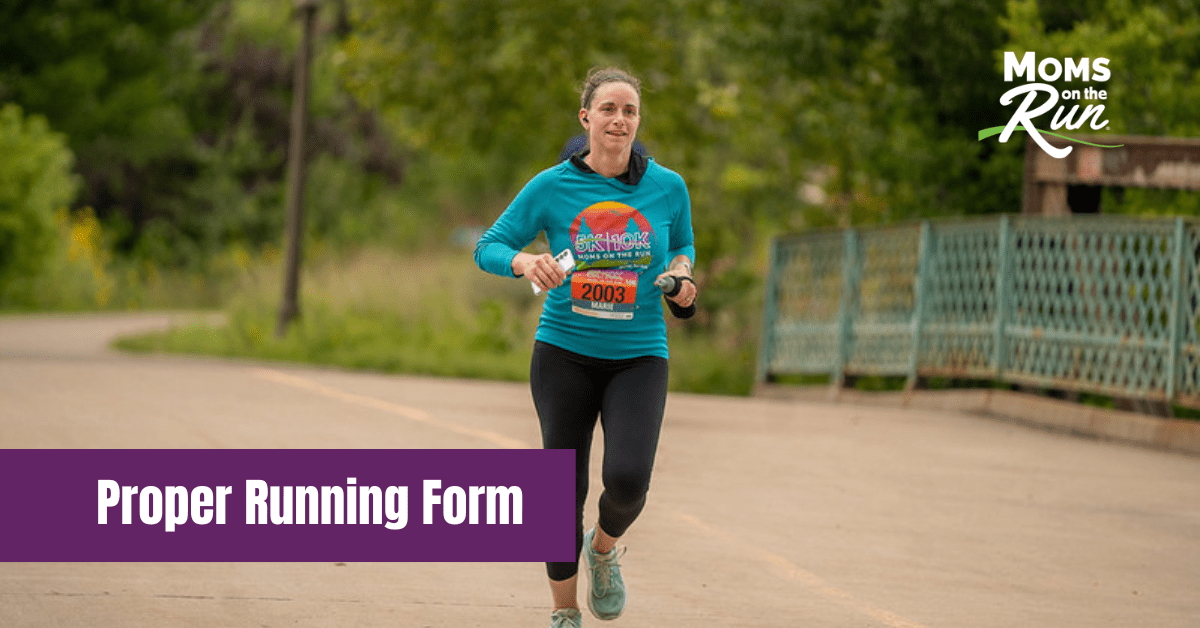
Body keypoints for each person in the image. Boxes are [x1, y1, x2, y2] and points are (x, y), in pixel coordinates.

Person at [474, 67, 696, 628]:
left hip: (640, 354)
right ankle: (564, 613)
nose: (620, 120)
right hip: (564, 353)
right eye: (609, 110)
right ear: (586, 118)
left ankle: (603, 550)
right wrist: (525, 261)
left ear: (638, 121)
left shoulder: (668, 187)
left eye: (630, 111)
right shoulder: (551, 186)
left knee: (627, 481)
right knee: (560, 492)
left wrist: (681, 271)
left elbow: (683, 244)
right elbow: (489, 245)